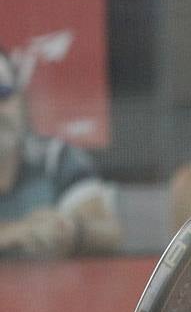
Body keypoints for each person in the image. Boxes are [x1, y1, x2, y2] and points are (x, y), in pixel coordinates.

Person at [0, 47, 122, 257]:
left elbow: (109, 232)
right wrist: (15, 234)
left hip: (46, 289)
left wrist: (72, 230)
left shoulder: (56, 157)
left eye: (2, 93)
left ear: (21, 100)